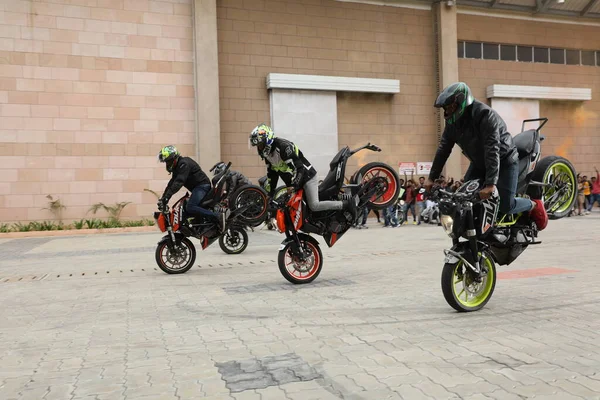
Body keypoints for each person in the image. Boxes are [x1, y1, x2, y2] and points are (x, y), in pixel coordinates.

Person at [425, 82, 548, 230]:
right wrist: (432, 178)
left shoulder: (485, 115)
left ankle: (533, 204)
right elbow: (443, 150)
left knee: (505, 205)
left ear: (461, 101)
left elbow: (492, 149)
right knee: (464, 201)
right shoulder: (452, 124)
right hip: (479, 164)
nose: (447, 110)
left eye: (450, 106)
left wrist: (490, 184)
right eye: (445, 108)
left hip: (504, 160)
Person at [249, 123, 357, 220]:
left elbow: (299, 167)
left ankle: (346, 204)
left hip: (307, 176)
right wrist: (270, 193)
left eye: (260, 144)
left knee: (314, 205)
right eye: (258, 146)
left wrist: (294, 185)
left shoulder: (283, 147)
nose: (259, 148)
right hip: (296, 180)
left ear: (268, 139)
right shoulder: (268, 155)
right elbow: (273, 174)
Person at [157, 145, 228, 232]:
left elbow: (179, 182)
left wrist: (167, 197)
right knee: (186, 206)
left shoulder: (183, 164)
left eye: (168, 161)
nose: (167, 164)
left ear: (173, 158)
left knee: (190, 206)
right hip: (197, 189)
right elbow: (171, 184)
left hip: (202, 186)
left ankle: (217, 216)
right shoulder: (178, 167)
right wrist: (164, 198)